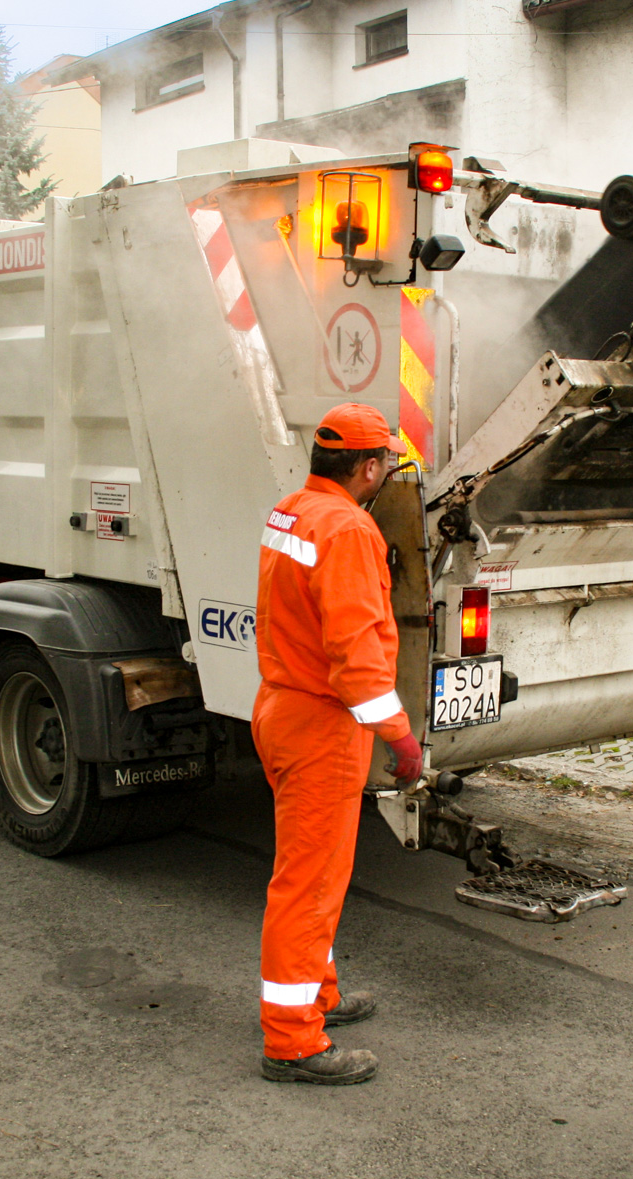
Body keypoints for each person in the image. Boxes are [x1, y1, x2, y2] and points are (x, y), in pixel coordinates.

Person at [252, 402, 424, 1086]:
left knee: (315, 874)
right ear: (370, 466)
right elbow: (355, 656)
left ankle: (318, 996)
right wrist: (402, 738)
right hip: (323, 724)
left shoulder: (291, 510)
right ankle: (293, 1042)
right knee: (308, 883)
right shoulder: (350, 530)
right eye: (385, 462)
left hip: (282, 707)